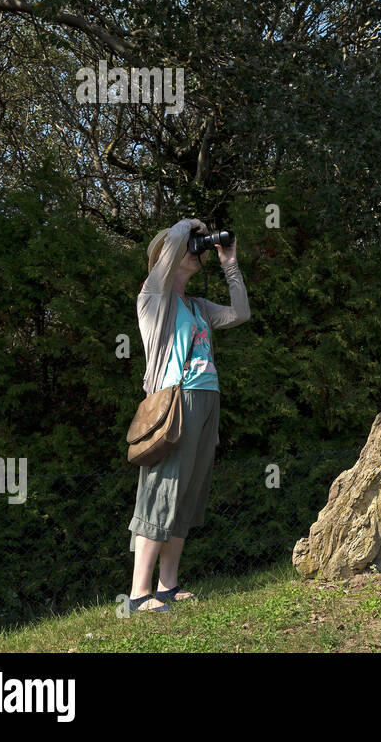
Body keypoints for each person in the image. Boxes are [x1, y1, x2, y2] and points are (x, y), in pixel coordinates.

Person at [127, 217, 250, 613]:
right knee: (161, 490)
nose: (196, 250)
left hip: (207, 399)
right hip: (173, 403)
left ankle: (167, 586)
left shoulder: (195, 305)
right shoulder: (153, 299)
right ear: (169, 255)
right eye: (189, 246)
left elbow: (240, 313)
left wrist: (229, 263)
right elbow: (168, 257)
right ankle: (137, 595)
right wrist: (185, 225)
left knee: (187, 494)